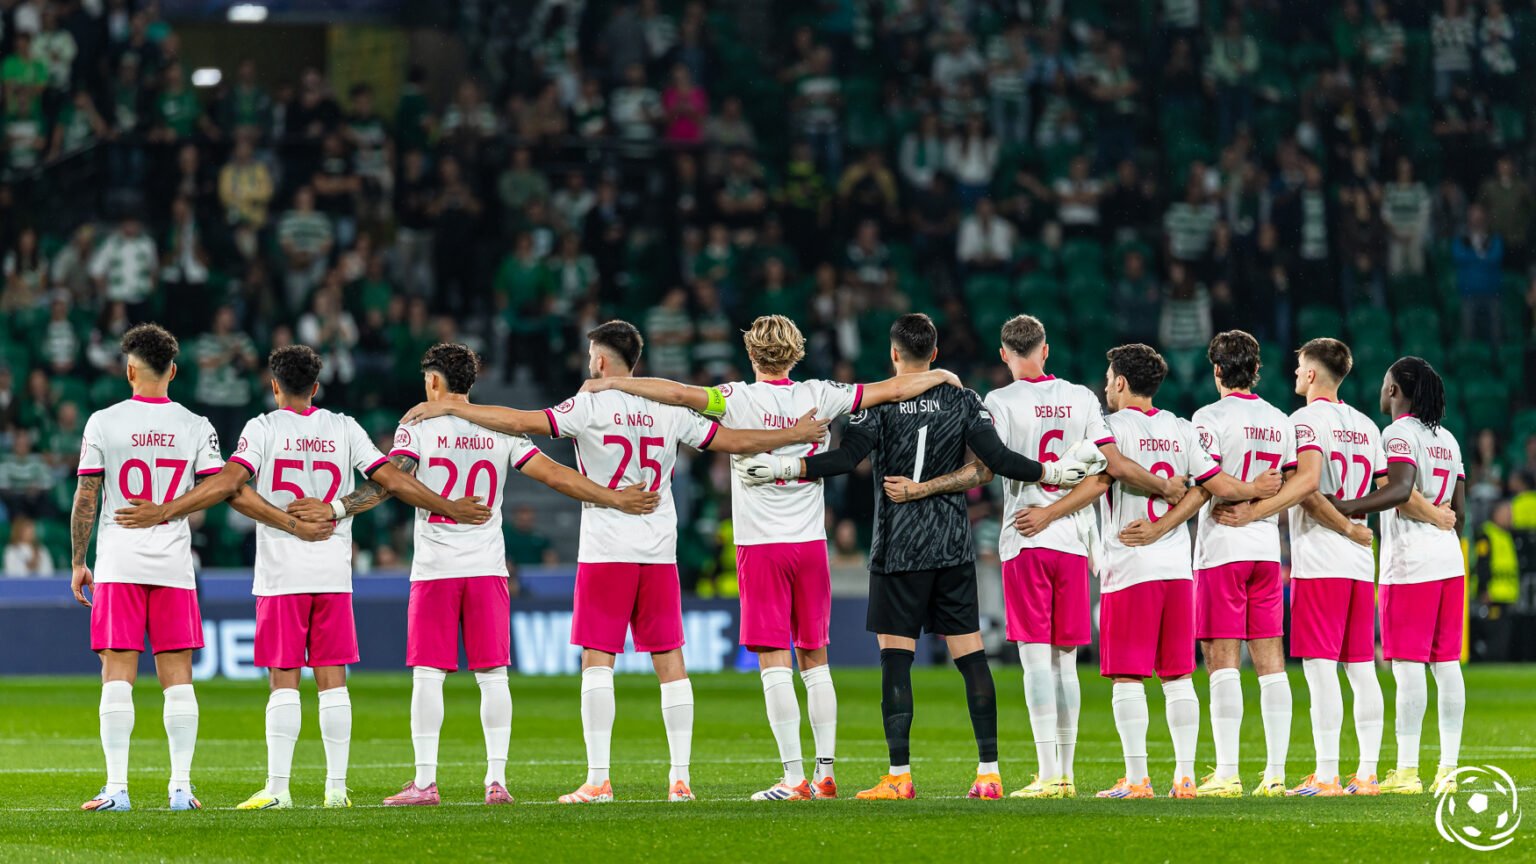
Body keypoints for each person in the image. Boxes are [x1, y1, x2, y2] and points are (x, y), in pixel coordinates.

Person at [400, 322, 832, 804]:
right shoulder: (668, 408)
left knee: (597, 663)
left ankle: (599, 778)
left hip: (606, 550)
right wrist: (793, 434)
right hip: (659, 552)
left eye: (590, 356)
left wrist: (452, 408)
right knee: (670, 662)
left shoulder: (589, 403)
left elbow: (525, 422)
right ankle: (680, 779)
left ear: (601, 361)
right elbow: (732, 441)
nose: (589, 364)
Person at [570, 314, 965, 801]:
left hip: (760, 547)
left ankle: (793, 777)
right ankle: (825, 774)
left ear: (752, 353)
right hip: (810, 545)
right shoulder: (821, 393)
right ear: (795, 352)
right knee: (815, 659)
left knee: (774, 661)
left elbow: (674, 393)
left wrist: (608, 382)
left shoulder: (733, 397)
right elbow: (889, 389)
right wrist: (940, 376)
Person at [735, 314, 1100, 801]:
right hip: (951, 543)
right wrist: (1052, 473)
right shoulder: (963, 398)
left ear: (893, 354)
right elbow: (999, 462)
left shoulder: (881, 402)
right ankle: (989, 772)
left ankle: (900, 775)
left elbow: (845, 460)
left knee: (896, 664)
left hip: (899, 546)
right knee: (972, 660)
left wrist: (788, 465)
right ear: (935, 352)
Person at [113, 345, 491, 810]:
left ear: (274, 386)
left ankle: (278, 789)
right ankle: (336, 790)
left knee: (284, 678)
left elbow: (231, 482)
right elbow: (390, 479)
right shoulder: (343, 427)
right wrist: (448, 506)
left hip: (281, 573)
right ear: (316, 386)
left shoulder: (262, 428)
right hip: (333, 570)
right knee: (334, 679)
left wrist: (172, 511)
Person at [284, 343, 659, 807]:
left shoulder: (418, 425)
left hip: (436, 570)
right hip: (487, 568)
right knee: (493, 675)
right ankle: (496, 781)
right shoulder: (497, 427)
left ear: (435, 382)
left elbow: (390, 481)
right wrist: (613, 496)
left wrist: (337, 508)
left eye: (427, 379)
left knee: (428, 674)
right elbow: (555, 475)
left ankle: (425, 783)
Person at [881, 315, 1187, 799]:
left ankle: (1049, 774)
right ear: (1045, 350)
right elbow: (1103, 470)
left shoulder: (998, 402)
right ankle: (1064, 774)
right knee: (1066, 660)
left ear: (1005, 355)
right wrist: (1062, 511)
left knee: (1035, 660)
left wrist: (925, 488)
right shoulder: (1083, 398)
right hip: (1073, 539)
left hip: (1025, 535)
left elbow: (982, 470)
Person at [70, 325, 327, 813]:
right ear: (174, 370)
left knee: (117, 673)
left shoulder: (102, 422)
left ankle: (117, 790)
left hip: (120, 563)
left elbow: (88, 495)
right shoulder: (196, 425)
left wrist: (80, 561)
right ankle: (182, 789)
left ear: (130, 371)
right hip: (174, 565)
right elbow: (222, 490)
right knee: (179, 677)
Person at [1089, 343, 1282, 800]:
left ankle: (1137, 781)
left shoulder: (1108, 425)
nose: (1104, 385)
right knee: (1178, 676)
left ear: (1119, 382)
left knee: (1128, 676)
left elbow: (1113, 468)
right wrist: (1251, 489)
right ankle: (1186, 777)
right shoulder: (1180, 427)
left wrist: (1152, 524)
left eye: (1107, 377)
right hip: (1178, 569)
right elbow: (1204, 489)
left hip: (1130, 563)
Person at [1238, 339, 1386, 797]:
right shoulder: (1366, 425)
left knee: (1322, 668)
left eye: (1301, 366)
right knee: (1361, 668)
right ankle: (1367, 773)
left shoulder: (1302, 421)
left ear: (1314, 375)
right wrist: (1359, 527)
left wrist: (1258, 510)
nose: (1296, 373)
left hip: (1322, 559)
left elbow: (1307, 487)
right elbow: (1384, 488)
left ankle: (1326, 775)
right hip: (1361, 561)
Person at [1331, 358, 1465, 796]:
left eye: (1385, 381)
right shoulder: (1448, 439)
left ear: (1393, 391)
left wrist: (1347, 505)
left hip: (1411, 565)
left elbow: (1400, 489)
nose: (1381, 387)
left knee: (1408, 668)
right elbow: (1457, 515)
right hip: (1449, 562)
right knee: (1446, 667)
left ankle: (1407, 771)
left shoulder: (1397, 433)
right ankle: (1448, 769)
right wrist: (1438, 519)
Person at [1186, 332, 1300, 797]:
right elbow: (1290, 484)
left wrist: (1247, 490)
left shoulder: (1207, 418)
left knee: (1222, 663)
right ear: (1256, 371)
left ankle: (1229, 772)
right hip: (1266, 550)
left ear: (1217, 371)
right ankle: (1274, 774)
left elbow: (1214, 484)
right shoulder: (1280, 419)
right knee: (1272, 662)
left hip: (1222, 551)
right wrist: (1263, 496)